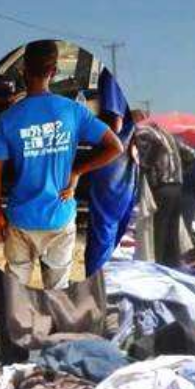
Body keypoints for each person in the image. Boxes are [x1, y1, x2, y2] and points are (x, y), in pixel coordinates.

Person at [0, 40, 123, 290]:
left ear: (23, 70)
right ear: (54, 71)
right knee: (57, 293)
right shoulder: (73, 111)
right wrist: (77, 170)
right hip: (60, 216)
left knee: (14, 292)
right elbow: (116, 146)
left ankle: (17, 327)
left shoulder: (8, 119)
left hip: (21, 218)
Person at [83, 68, 136, 277]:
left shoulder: (113, 73)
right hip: (130, 162)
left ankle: (95, 283)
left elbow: (115, 123)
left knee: (104, 227)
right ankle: (103, 282)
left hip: (113, 160)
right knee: (116, 225)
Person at [132, 118, 195, 267]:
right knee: (171, 233)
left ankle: (158, 268)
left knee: (157, 233)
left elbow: (154, 147)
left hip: (161, 188)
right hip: (177, 187)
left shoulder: (143, 131)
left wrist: (145, 166)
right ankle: (172, 267)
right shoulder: (166, 133)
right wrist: (177, 172)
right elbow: (191, 154)